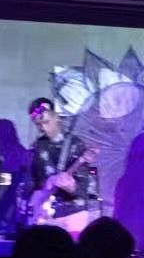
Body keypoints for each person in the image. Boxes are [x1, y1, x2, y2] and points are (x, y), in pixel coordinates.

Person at [28, 96, 95, 227]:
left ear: (56, 117)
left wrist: (72, 187)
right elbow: (33, 181)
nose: (43, 128)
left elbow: (85, 189)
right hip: (45, 214)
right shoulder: (38, 146)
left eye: (46, 122)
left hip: (73, 214)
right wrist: (34, 201)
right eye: (38, 125)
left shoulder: (76, 145)